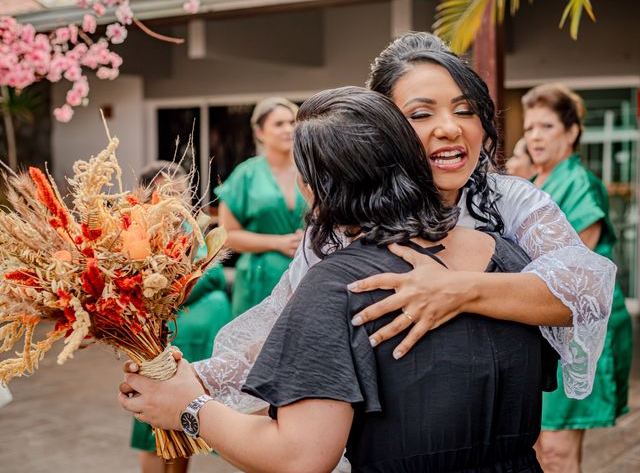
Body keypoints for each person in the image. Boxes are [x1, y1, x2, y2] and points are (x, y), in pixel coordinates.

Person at [121, 86, 550, 472]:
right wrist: (204, 378)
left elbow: (300, 456)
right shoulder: (509, 255)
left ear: (311, 188)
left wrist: (190, 409)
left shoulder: (337, 285)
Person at [189, 32, 615, 417]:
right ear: (381, 129)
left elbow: (586, 290)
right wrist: (193, 381)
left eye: (465, 109)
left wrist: (457, 290)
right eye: (421, 114)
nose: (450, 129)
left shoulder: (511, 200)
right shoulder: (345, 224)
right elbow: (286, 336)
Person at [522, 83, 633, 473]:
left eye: (547, 126)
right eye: (530, 126)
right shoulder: (536, 183)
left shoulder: (579, 182)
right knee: (534, 443)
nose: (535, 135)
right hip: (541, 324)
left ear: (571, 132)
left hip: (578, 327)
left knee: (556, 449)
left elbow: (573, 268)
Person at [129, 161, 234, 473]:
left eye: (184, 192)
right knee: (155, 420)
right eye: (170, 194)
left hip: (203, 338)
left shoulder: (195, 228)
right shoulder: (142, 237)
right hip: (169, 339)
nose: (181, 200)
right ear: (149, 197)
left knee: (187, 416)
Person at [215, 97, 306, 318]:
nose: (288, 129)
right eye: (279, 124)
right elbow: (226, 236)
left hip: (306, 274)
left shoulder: (311, 170)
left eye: (292, 122)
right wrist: (278, 242)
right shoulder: (246, 174)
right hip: (258, 280)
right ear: (260, 132)